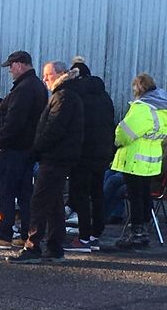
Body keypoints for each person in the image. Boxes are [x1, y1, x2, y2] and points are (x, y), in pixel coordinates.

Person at [8, 61, 84, 264]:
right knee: (54, 202)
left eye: (48, 75)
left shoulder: (64, 96)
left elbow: (54, 128)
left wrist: (36, 149)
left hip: (55, 157)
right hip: (59, 156)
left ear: (59, 74)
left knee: (40, 201)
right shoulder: (66, 94)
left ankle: (33, 247)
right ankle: (55, 246)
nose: (44, 80)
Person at [0, 51, 48, 250]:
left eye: (11, 66)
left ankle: (4, 234)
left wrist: (0, 140)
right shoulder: (38, 86)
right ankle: (25, 234)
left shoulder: (23, 89)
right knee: (25, 193)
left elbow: (15, 120)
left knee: (8, 192)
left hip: (14, 149)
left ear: (20, 65)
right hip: (29, 149)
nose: (10, 71)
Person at [63, 56, 115, 253]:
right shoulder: (105, 96)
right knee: (97, 193)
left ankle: (83, 238)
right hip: (102, 153)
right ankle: (95, 234)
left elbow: (74, 125)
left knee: (81, 194)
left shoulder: (78, 95)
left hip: (82, 153)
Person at [113, 73, 167, 249]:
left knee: (135, 197)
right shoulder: (162, 107)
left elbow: (125, 133)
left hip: (134, 159)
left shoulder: (142, 107)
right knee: (144, 195)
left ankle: (137, 233)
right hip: (151, 161)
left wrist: (116, 139)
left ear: (138, 88)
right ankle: (143, 229)